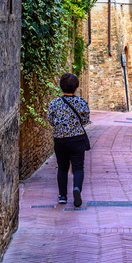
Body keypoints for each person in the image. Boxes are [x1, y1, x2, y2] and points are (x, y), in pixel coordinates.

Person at [46, 73, 90, 208]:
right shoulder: (81, 102)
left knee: (62, 167)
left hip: (60, 140)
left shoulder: (54, 103)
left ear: (61, 87)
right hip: (77, 139)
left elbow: (51, 121)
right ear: (76, 87)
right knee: (78, 167)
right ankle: (77, 188)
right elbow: (85, 120)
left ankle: (63, 196)